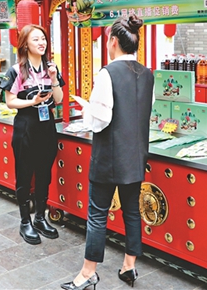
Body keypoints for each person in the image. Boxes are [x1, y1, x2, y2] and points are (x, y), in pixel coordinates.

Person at [63, 15, 153, 290]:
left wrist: (86, 109)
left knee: (98, 213)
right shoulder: (148, 74)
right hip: (136, 156)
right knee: (132, 212)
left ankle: (88, 272)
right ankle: (129, 266)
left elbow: (100, 120)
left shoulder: (107, 73)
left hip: (109, 157)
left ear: (113, 42)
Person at [0, 24, 65, 245]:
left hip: (47, 128)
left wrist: (54, 79)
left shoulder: (51, 68)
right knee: (25, 175)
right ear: (25, 44)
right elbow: (10, 102)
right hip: (26, 127)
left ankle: (40, 218)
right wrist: (32, 101)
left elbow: (58, 99)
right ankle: (25, 221)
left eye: (43, 39)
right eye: (36, 39)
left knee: (44, 174)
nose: (41, 43)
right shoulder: (16, 70)